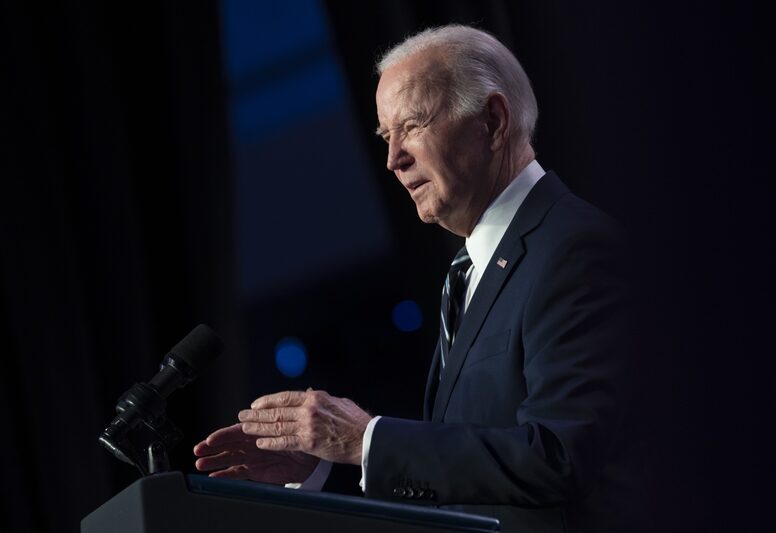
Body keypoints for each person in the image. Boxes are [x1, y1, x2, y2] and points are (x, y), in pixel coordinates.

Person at [194, 24, 638, 532]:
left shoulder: (573, 247)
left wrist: (366, 441)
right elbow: (468, 480)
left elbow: (561, 455)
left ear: (492, 122)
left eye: (413, 125)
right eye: (387, 136)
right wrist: (336, 460)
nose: (393, 159)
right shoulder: (471, 272)